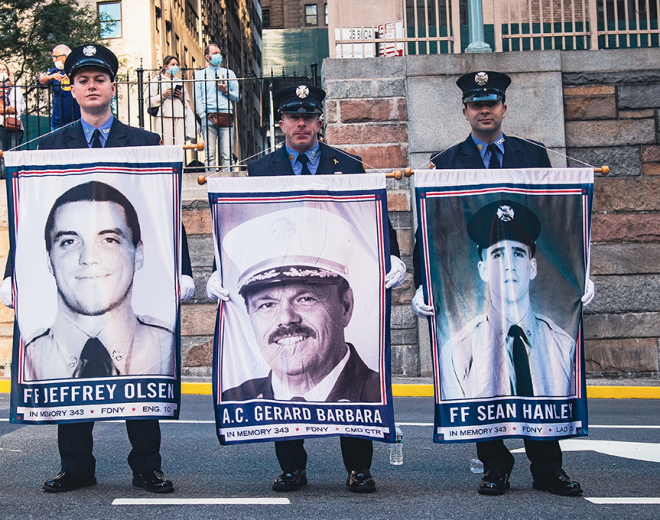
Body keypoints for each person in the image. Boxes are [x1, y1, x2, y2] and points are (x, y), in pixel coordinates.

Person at [4, 44, 195, 495]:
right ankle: (76, 467)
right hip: (79, 279)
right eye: (83, 79)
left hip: (126, 288)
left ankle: (147, 467)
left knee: (142, 372)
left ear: (113, 86)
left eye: (99, 79)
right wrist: (12, 271)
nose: (91, 86)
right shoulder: (48, 147)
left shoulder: (147, 145)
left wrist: (181, 269)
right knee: (68, 377)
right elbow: (28, 218)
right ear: (71, 89)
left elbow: (165, 216)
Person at [207, 85, 406, 494]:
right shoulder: (261, 170)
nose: (301, 123)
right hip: (277, 267)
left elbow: (370, 215)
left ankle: (359, 468)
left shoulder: (347, 166)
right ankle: (292, 467)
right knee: (286, 373)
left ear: (320, 121)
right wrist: (218, 269)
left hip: (331, 270)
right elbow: (232, 218)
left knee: (354, 393)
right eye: (292, 116)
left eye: (308, 116)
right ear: (280, 122)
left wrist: (394, 255)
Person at [411, 70, 595, 497]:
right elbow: (430, 231)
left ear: (504, 108)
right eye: (477, 104)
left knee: (543, 379)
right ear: (465, 112)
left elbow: (556, 218)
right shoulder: (446, 162)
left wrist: (580, 270)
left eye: (491, 103)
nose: (484, 110)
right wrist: (425, 282)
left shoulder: (533, 155)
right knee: (484, 383)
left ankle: (548, 469)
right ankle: (495, 466)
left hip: (531, 307)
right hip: (478, 307)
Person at [220, 207, 381, 404]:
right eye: (267, 304)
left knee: (355, 436)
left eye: (306, 298)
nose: (286, 318)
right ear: (249, 313)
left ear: (345, 306)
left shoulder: (376, 395)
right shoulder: (237, 400)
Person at [24, 180, 176, 380]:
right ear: (49, 261)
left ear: (138, 253)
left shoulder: (166, 348)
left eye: (109, 240)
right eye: (69, 241)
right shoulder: (28, 357)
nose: (88, 258)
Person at [439, 200, 576, 400]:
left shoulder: (563, 346)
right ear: (483, 270)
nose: (509, 265)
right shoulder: (458, 353)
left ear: (532, 267)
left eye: (518, 254)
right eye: (498, 255)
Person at [193, 44, 239, 170]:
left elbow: (238, 96)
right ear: (207, 57)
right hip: (208, 116)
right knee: (210, 155)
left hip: (226, 115)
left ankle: (227, 182)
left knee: (227, 154)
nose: (218, 55)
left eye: (219, 52)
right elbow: (197, 98)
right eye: (215, 53)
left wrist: (225, 91)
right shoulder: (199, 75)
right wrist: (203, 115)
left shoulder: (229, 73)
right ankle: (210, 180)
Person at [147, 56, 196, 146]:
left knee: (180, 146)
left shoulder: (179, 82)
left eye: (177, 65)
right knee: (165, 146)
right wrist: (163, 95)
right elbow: (149, 101)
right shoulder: (157, 81)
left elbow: (187, 102)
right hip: (164, 116)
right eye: (173, 64)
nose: (175, 67)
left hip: (180, 117)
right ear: (165, 66)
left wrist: (181, 97)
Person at [39, 45, 81, 131]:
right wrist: (49, 77)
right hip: (58, 121)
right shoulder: (54, 71)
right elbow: (41, 82)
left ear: (66, 56)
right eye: (53, 57)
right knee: (57, 143)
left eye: (56, 57)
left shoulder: (78, 69)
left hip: (78, 119)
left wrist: (73, 76)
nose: (54, 60)